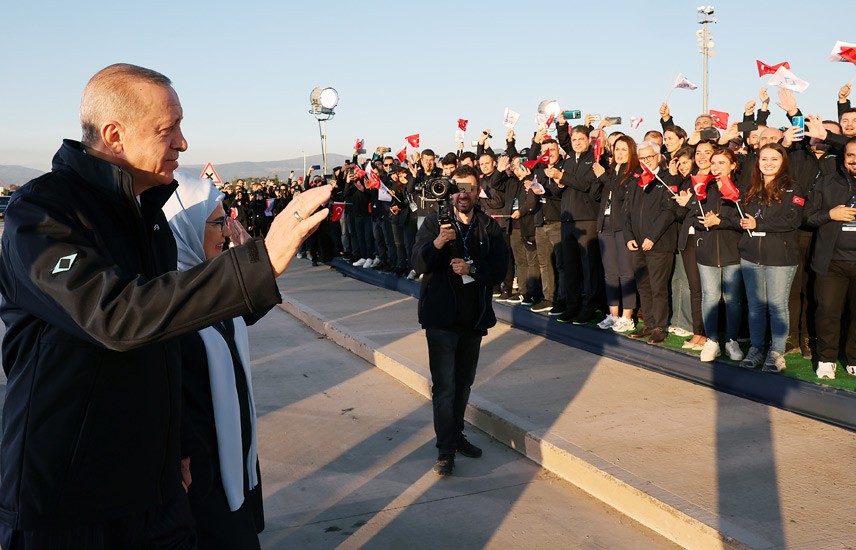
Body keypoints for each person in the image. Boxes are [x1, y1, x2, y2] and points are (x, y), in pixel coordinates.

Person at [0, 63, 331, 547]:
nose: (182, 143)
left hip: (153, 491)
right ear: (114, 135)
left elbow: (163, 348)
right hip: (67, 497)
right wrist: (259, 263)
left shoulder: (147, 217)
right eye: (167, 128)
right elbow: (116, 315)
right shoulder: (42, 213)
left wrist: (176, 446)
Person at [163, 178, 267, 548]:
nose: (225, 232)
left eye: (227, 220)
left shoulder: (210, 285)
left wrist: (251, 254)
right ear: (185, 228)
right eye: (218, 223)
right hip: (201, 475)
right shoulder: (164, 300)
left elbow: (250, 304)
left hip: (234, 461)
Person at [412, 165, 509, 476]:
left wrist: (473, 270)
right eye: (457, 187)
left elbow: (501, 269)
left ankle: (456, 435)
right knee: (444, 387)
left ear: (477, 189)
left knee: (464, 383)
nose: (462, 194)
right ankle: (445, 449)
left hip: (474, 318)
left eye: (468, 187)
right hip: (440, 319)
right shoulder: (433, 223)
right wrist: (438, 243)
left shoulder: (488, 226)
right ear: (449, 191)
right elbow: (417, 262)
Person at [736, 143, 806, 371]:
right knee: (755, 307)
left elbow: (792, 220)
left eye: (774, 159)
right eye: (764, 159)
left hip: (780, 257)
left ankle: (776, 352)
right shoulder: (751, 187)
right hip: (751, 255)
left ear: (783, 161)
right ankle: (756, 348)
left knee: (777, 305)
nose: (768, 163)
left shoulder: (793, 188)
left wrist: (760, 224)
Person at [806, 137, 856, 379]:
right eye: (851, 155)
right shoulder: (827, 183)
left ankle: (854, 358)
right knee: (828, 311)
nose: (855, 160)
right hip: (831, 262)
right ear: (843, 158)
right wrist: (830, 214)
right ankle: (826, 358)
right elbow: (808, 216)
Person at [692, 149, 745, 362]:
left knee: (733, 300)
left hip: (733, 252)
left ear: (733, 165)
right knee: (710, 297)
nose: (716, 167)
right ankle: (712, 341)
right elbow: (692, 217)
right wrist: (704, 221)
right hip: (707, 252)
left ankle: (732, 341)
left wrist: (720, 221)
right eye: (713, 163)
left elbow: (743, 220)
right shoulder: (703, 187)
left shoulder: (741, 188)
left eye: (721, 163)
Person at [623, 141, 678, 344]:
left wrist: (652, 237)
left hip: (659, 244)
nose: (645, 162)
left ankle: (660, 326)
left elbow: (668, 212)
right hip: (636, 243)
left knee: (658, 287)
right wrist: (628, 237)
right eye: (642, 158)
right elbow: (626, 212)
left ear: (658, 157)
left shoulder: (667, 179)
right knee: (643, 286)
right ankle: (648, 322)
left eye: (649, 157)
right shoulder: (635, 180)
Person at [592, 135, 638, 333]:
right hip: (605, 225)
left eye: (623, 150)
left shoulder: (633, 173)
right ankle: (613, 314)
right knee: (610, 273)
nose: (618, 154)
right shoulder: (610, 170)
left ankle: (627, 316)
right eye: (616, 149)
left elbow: (620, 195)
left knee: (625, 272)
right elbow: (595, 195)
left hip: (622, 227)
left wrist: (604, 176)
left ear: (630, 153)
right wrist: (600, 176)